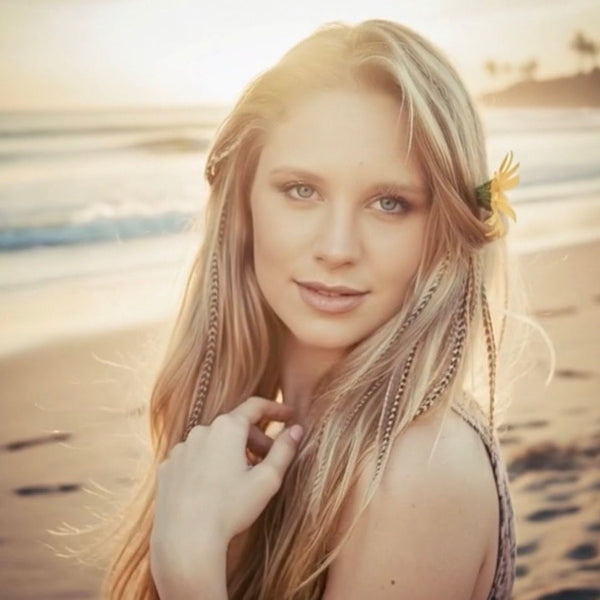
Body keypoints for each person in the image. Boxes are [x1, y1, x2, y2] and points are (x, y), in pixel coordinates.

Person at [102, 18, 528, 600]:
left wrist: (189, 571)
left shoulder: (416, 470)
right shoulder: (260, 451)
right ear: (244, 203)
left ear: (447, 228)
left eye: (389, 202)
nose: (336, 248)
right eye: (301, 190)